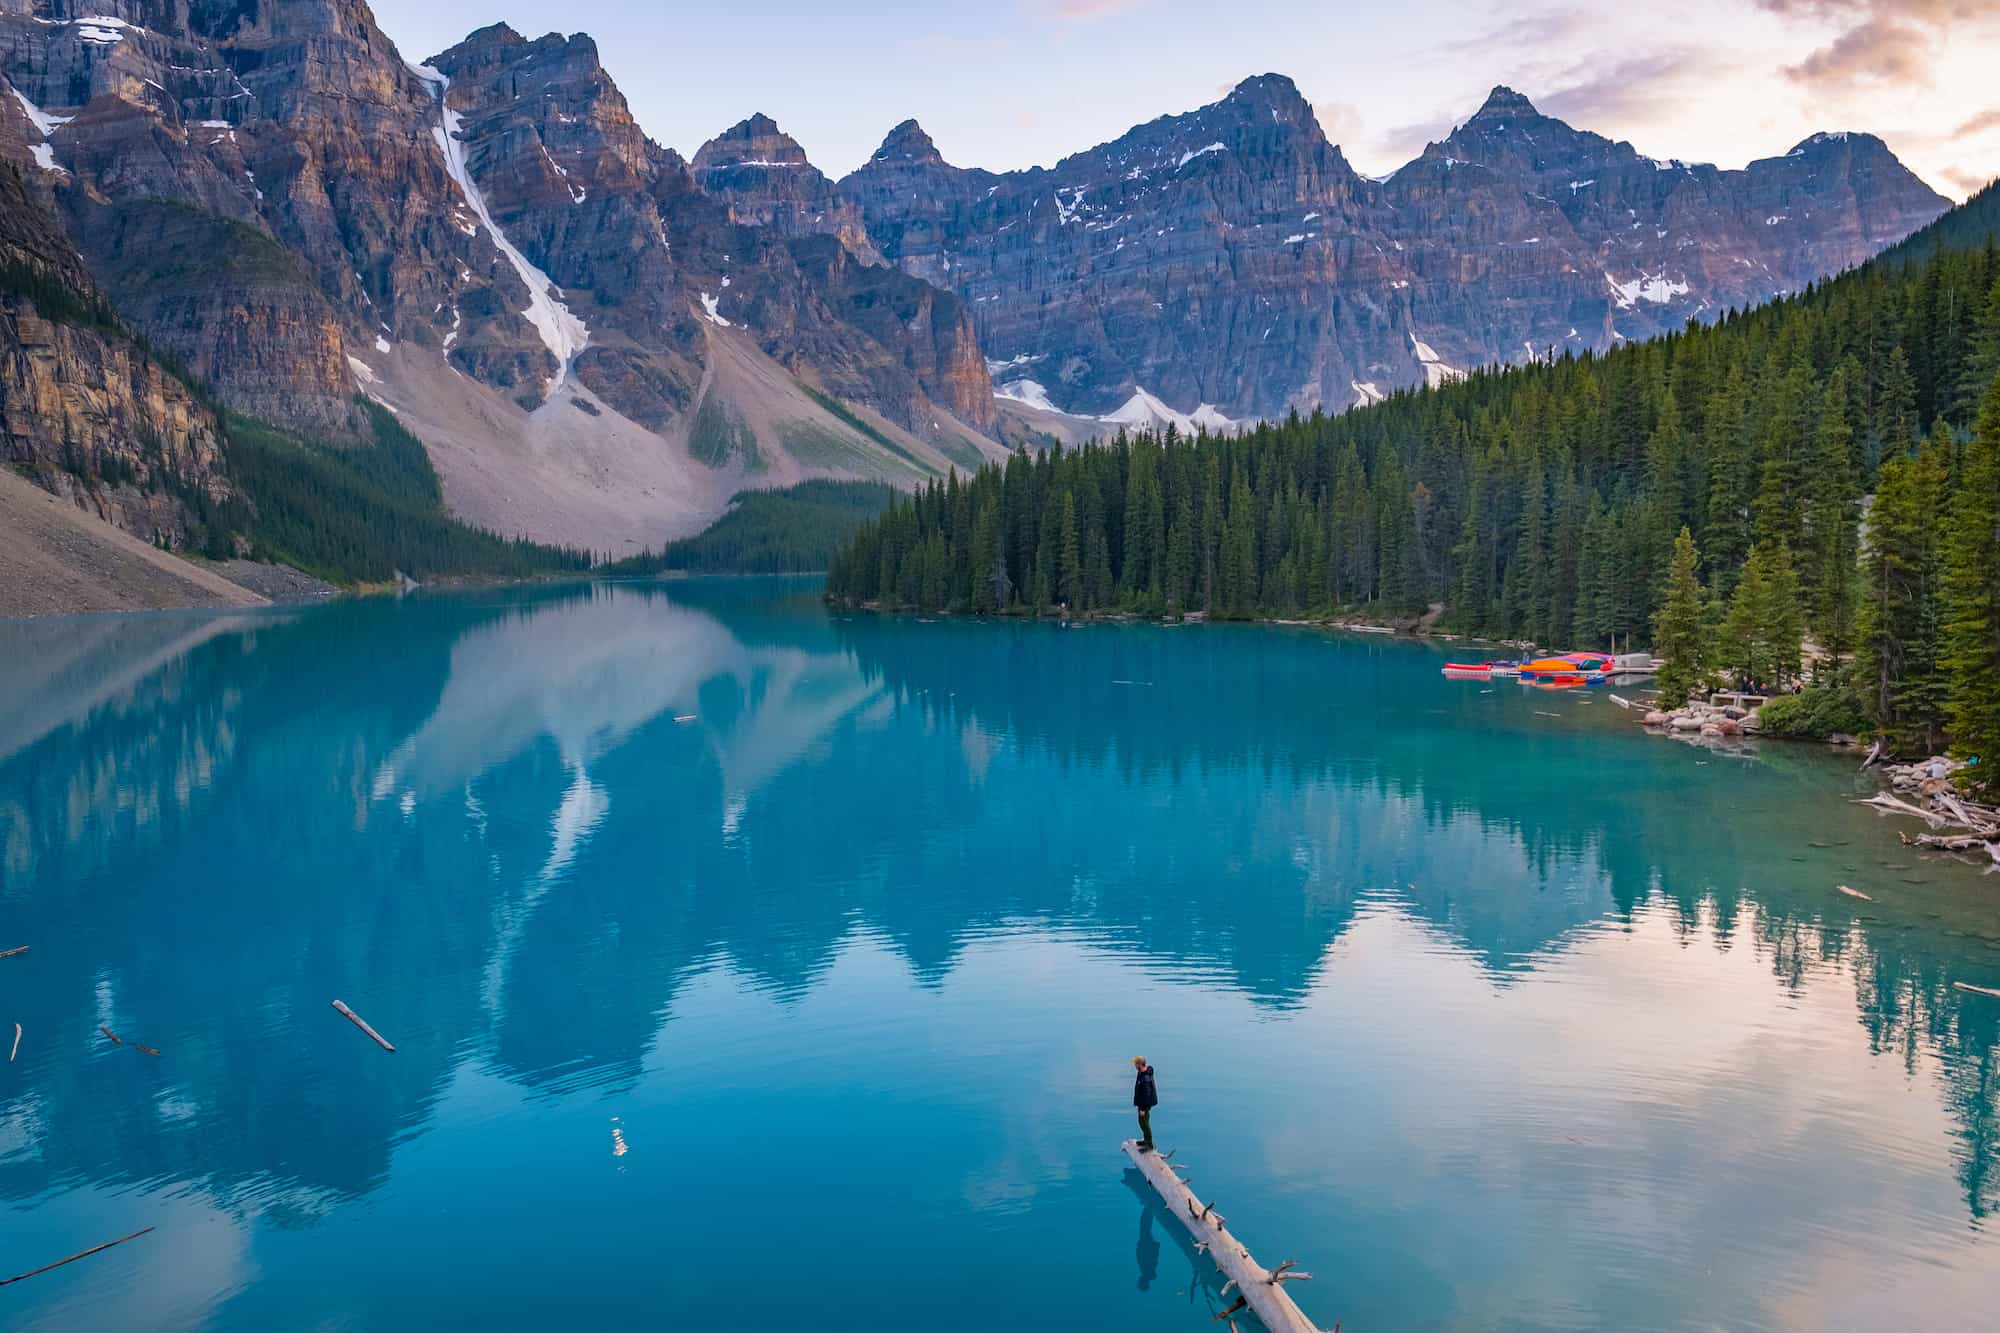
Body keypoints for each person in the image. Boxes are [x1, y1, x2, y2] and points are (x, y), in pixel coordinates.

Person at [1132, 1056, 1158, 1151]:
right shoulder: (1141, 1072)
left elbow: (1146, 1095)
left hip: (1144, 1104)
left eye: (1135, 1064)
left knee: (1144, 1123)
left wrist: (1142, 1108)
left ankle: (1149, 1144)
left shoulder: (1145, 1077)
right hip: (1141, 1103)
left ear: (1139, 1064)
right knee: (1142, 1122)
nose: (1134, 1065)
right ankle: (1146, 1140)